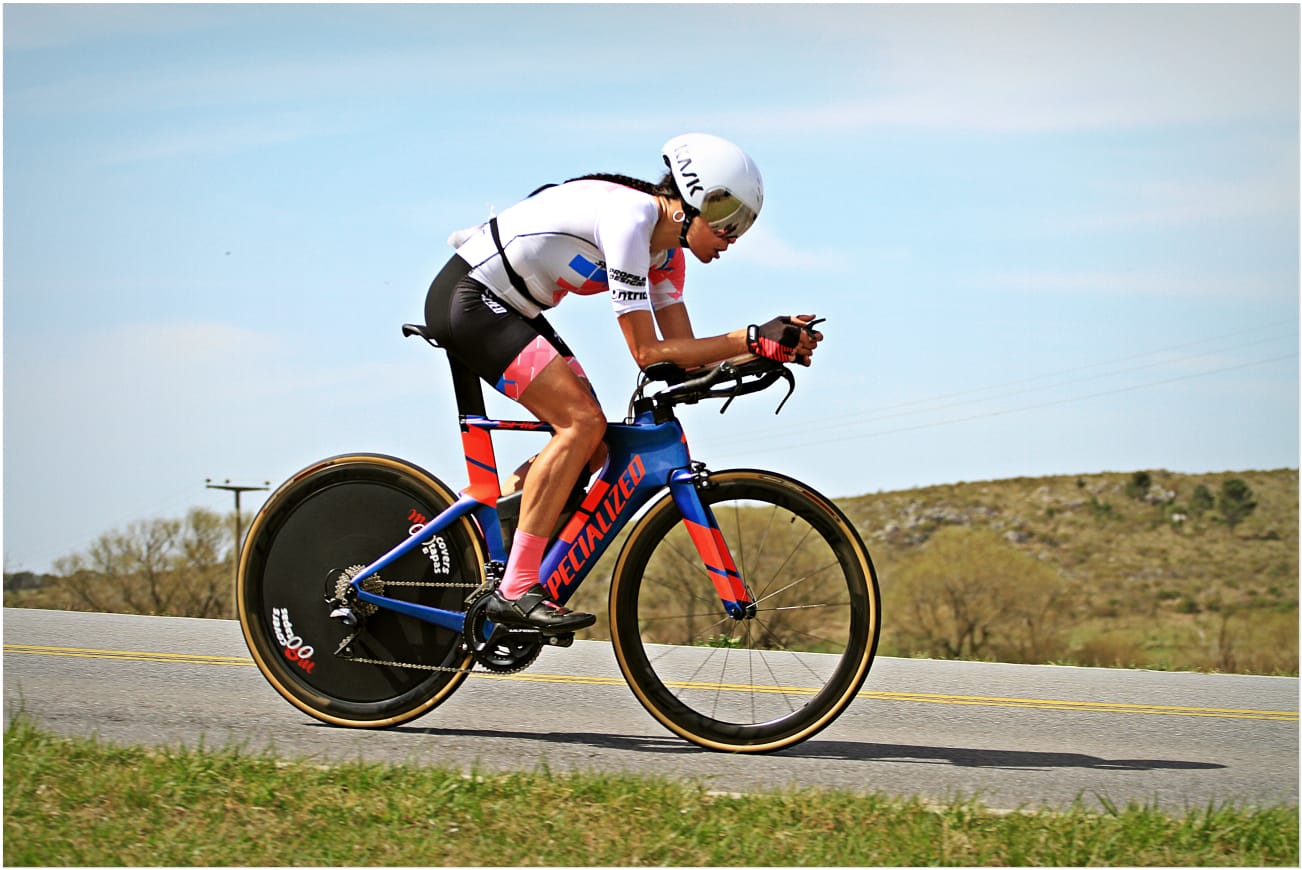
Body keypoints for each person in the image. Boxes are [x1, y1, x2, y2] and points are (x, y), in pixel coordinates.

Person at [423, 133, 822, 633]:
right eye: (728, 221)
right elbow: (647, 352)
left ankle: (477, 553)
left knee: (592, 446)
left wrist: (762, 346)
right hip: (470, 300)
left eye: (742, 226)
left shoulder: (665, 255)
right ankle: (517, 587)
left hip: (512, 308)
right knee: (580, 424)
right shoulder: (631, 220)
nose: (733, 237)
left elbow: (682, 361)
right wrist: (747, 336)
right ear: (694, 202)